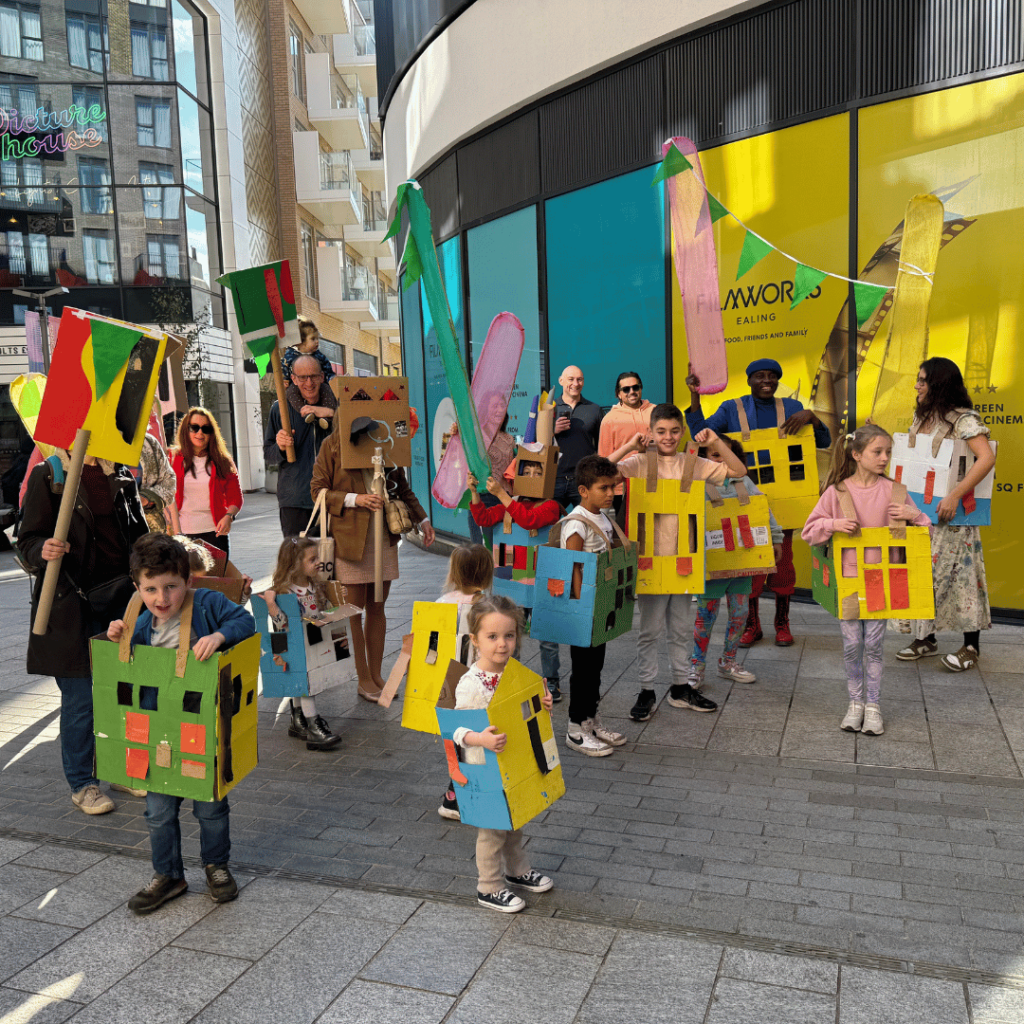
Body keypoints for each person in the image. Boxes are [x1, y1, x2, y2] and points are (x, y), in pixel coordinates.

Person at [107, 534, 255, 914]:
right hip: (160, 731)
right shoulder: (142, 622)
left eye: (171, 587)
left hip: (202, 726)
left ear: (188, 581)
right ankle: (168, 874)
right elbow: (129, 664)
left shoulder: (207, 602)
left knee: (210, 806)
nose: (162, 598)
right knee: (157, 810)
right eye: (151, 589)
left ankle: (216, 865)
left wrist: (220, 635)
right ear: (138, 587)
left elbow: (244, 620)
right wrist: (118, 637)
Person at [20, 446, 148, 815]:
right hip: (70, 605)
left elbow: (137, 536)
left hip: (120, 603)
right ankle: (83, 784)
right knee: (80, 701)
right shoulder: (51, 474)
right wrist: (41, 549)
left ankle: (121, 769)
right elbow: (27, 538)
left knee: (123, 694)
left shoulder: (119, 472)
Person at [609, 405, 746, 720]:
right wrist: (630, 446)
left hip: (685, 561)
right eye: (661, 431)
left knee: (681, 629)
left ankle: (681, 687)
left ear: (682, 432)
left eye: (674, 431)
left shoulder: (694, 463)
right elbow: (598, 471)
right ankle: (646, 689)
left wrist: (717, 443)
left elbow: (739, 472)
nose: (668, 437)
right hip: (651, 563)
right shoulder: (642, 462)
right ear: (652, 432)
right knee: (650, 630)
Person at [686, 358, 831, 648]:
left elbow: (823, 440)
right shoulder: (731, 408)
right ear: (750, 380)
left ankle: (782, 624)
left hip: (785, 502)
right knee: (750, 564)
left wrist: (812, 418)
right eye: (759, 376)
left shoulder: (791, 409)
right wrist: (694, 396)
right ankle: (753, 626)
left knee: (783, 564)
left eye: (772, 376)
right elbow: (701, 436)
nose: (767, 380)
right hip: (743, 500)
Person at [802, 426, 930, 735]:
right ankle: (854, 704)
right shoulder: (837, 492)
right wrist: (834, 523)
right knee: (851, 644)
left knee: (874, 644)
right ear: (856, 455)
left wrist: (913, 515)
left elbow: (925, 535)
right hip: (849, 582)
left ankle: (873, 707)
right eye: (877, 452)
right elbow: (809, 531)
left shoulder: (895, 492)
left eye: (888, 452)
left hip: (883, 582)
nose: (884, 458)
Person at [311, 412, 435, 701]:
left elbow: (401, 487)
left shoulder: (384, 439)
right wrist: (356, 500)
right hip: (350, 538)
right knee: (353, 610)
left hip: (382, 536)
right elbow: (317, 490)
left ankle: (376, 673)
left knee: (378, 606)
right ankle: (363, 677)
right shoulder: (332, 445)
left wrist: (424, 519)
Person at [452, 594, 554, 913]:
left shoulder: (514, 672)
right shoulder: (470, 684)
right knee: (492, 831)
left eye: (509, 636)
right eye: (492, 637)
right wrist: (478, 738)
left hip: (513, 762)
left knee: (514, 822)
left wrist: (543, 706)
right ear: (475, 640)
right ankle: (489, 886)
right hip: (485, 769)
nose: (502, 644)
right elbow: (455, 730)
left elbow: (527, 712)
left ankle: (518, 871)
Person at [894, 358, 996, 671]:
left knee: (962, 578)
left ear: (939, 384)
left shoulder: (963, 419)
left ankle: (970, 647)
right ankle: (927, 638)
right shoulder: (921, 415)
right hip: (920, 513)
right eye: (917, 379)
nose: (917, 385)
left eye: (923, 380)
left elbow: (986, 457)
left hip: (952, 519)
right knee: (924, 577)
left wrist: (954, 495)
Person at [689, 436, 784, 690]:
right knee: (705, 616)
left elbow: (764, 510)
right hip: (712, 565)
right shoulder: (696, 484)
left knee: (740, 614)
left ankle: (728, 661)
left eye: (724, 454)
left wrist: (775, 538)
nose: (719, 459)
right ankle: (696, 666)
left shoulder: (744, 481)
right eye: (714, 455)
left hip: (743, 561)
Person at [468, 462, 564, 700]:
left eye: (537, 473)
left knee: (548, 638)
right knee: (510, 634)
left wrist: (501, 495)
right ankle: (510, 676)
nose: (531, 477)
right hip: (514, 584)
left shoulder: (551, 506)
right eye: (526, 472)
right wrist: (474, 492)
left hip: (543, 582)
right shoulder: (509, 505)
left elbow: (530, 520)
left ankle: (551, 681)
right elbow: (484, 518)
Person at [559, 455, 628, 757]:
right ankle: (576, 729)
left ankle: (591, 720)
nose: (611, 493)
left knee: (595, 667)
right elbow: (572, 567)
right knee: (582, 670)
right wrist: (581, 608)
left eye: (612, 487)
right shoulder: (576, 523)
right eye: (604, 488)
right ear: (584, 490)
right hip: (584, 609)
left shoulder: (603, 516)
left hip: (600, 606)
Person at [262, 537, 343, 751]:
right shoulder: (285, 591)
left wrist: (336, 603)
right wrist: (271, 605)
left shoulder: (314, 585)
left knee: (302, 682)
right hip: (292, 646)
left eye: (318, 558)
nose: (318, 562)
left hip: (312, 642)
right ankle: (314, 726)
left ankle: (298, 721)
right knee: (307, 684)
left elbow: (324, 611)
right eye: (312, 559)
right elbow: (281, 625)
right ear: (295, 563)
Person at [436, 542, 493, 821]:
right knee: (469, 743)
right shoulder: (487, 608)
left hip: (446, 683)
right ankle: (454, 796)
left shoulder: (441, 604)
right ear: (487, 573)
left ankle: (456, 793)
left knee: (455, 739)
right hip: (475, 686)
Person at [265, 353, 336, 537]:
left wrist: (331, 414)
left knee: (329, 562)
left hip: (332, 498)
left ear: (322, 376)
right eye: (303, 377)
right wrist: (280, 447)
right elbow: (268, 454)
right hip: (294, 502)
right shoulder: (279, 409)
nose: (309, 383)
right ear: (294, 379)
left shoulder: (335, 406)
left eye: (313, 376)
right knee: (298, 562)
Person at [172, 407, 242, 557]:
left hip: (215, 534)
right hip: (181, 534)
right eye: (194, 428)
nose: (200, 433)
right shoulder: (172, 458)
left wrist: (229, 516)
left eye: (206, 429)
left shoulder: (223, 461)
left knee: (217, 580)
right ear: (186, 430)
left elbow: (235, 497)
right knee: (186, 580)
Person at [598, 371, 655, 510]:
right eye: (626, 389)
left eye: (636, 387)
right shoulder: (609, 419)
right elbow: (604, 459)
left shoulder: (656, 412)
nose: (632, 392)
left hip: (655, 482)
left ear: (641, 388)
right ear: (618, 393)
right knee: (627, 530)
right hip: (622, 487)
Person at [136, 432, 179, 535]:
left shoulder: (149, 442)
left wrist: (146, 498)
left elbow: (169, 481)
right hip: (113, 535)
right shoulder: (98, 445)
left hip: (151, 534)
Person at [282, 316, 335, 384]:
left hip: (318, 389)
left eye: (317, 338)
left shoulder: (319, 356)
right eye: (313, 339)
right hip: (298, 390)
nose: (317, 341)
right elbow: (285, 375)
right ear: (301, 341)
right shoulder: (290, 357)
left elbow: (328, 372)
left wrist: (333, 380)